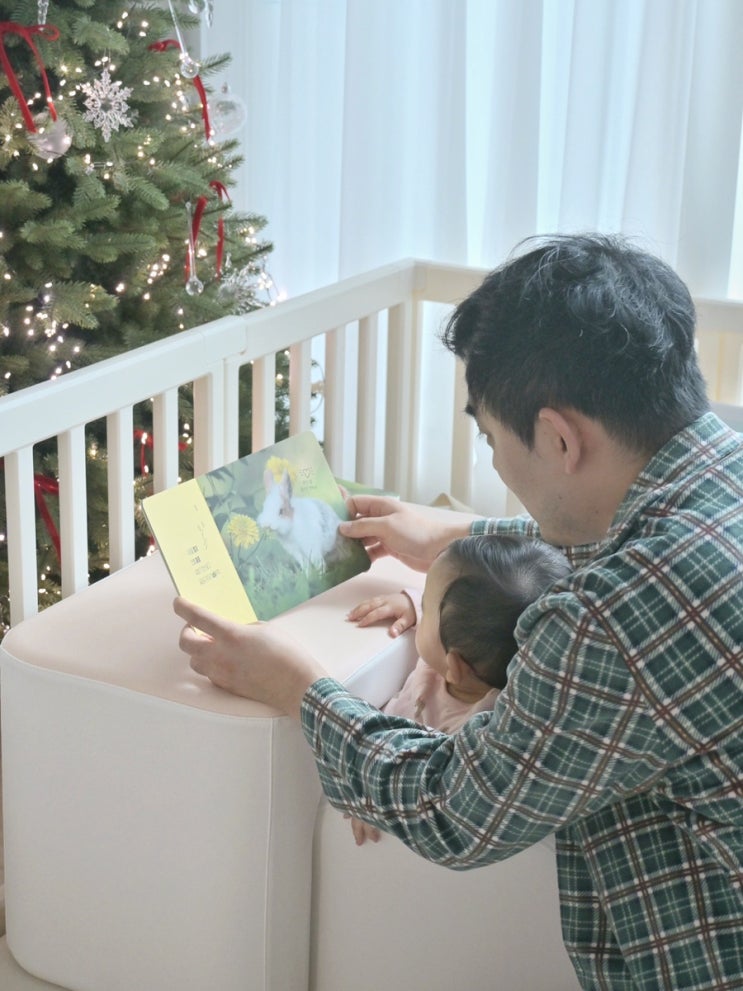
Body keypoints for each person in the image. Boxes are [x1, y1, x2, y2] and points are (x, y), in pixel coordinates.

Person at [174, 233, 743, 991]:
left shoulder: (612, 617)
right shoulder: (718, 473)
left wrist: (297, 687)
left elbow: (458, 809)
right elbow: (635, 539)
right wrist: (456, 536)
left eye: (491, 439)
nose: (496, 465)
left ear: (558, 437)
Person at [345, 533, 571, 843]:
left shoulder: (469, 734)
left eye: (426, 606)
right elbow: (459, 617)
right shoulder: (463, 655)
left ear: (454, 667)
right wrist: (411, 603)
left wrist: (372, 797)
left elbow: (420, 790)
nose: (421, 610)